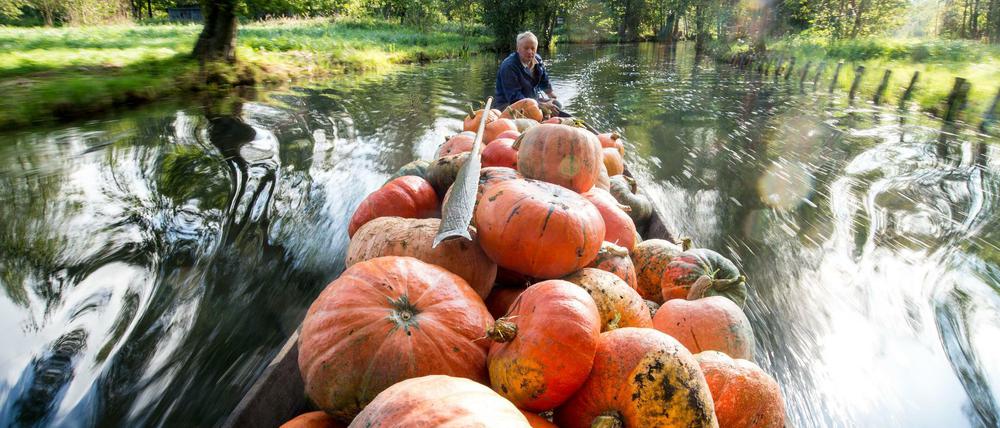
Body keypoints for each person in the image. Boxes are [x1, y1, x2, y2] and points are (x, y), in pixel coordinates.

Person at [494, 31, 561, 112]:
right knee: (536, 111)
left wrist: (552, 96)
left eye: (533, 48)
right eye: (526, 48)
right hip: (508, 105)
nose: (530, 52)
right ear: (518, 49)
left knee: (557, 104)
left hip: (531, 100)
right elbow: (514, 98)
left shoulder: (538, 60)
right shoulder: (509, 66)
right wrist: (541, 105)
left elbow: (544, 82)